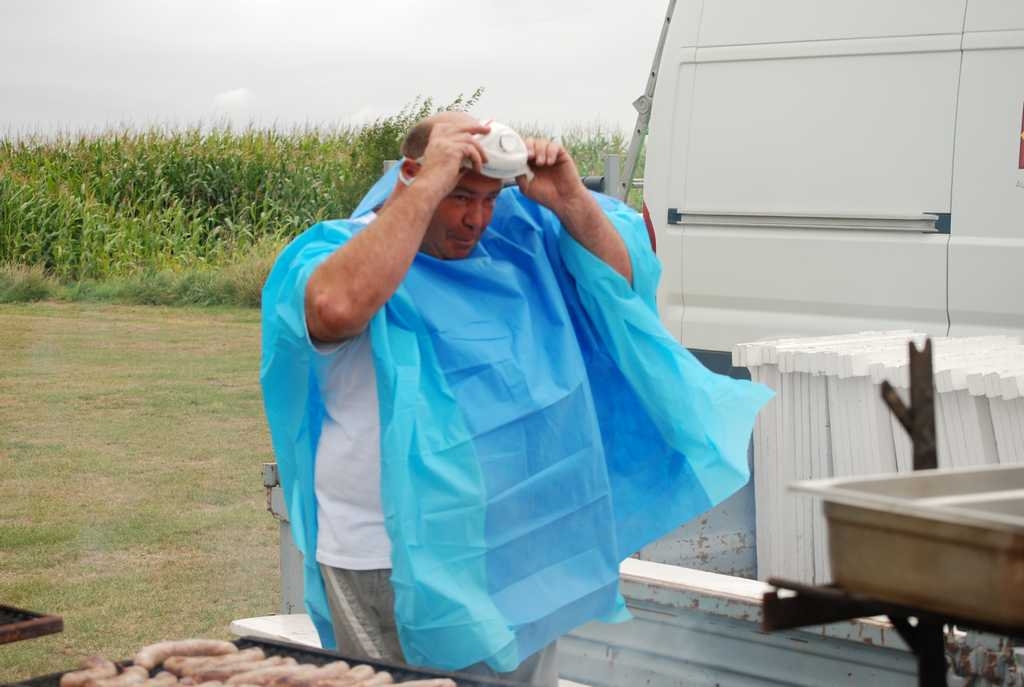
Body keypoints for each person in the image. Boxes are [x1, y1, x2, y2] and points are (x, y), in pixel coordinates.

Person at [260, 112, 772, 686]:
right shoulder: (338, 250)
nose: (476, 218)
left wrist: (570, 199)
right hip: (388, 555)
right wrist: (428, 183)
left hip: (514, 548)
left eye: (489, 198)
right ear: (411, 174)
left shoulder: (513, 243)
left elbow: (622, 288)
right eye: (459, 196)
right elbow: (335, 307)